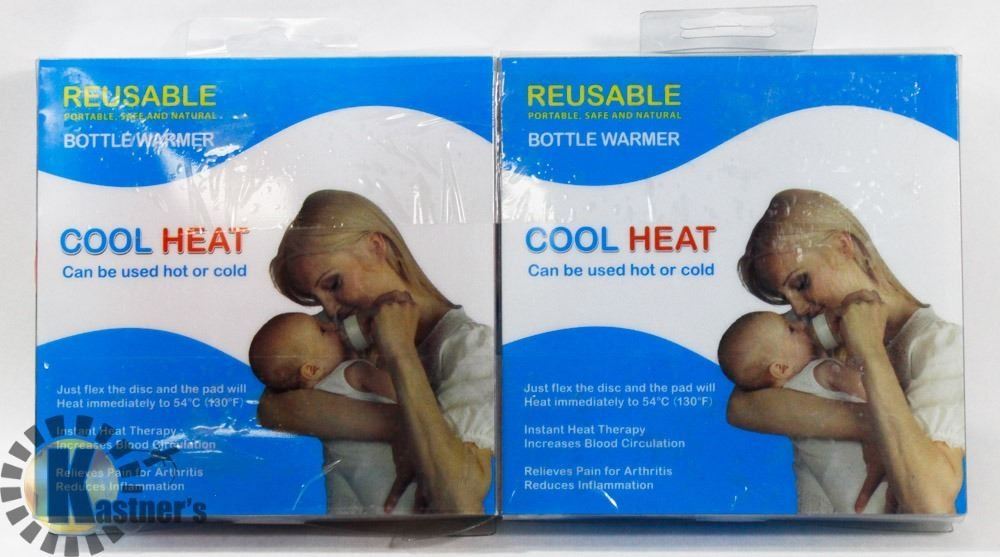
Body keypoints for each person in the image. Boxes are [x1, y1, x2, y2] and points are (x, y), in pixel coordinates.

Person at [257, 190, 495, 515]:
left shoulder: (469, 347)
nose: (330, 311)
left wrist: (400, 353)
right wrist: (402, 426)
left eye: (334, 284)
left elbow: (458, 502)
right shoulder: (338, 334)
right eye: (316, 300)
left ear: (376, 246)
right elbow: (273, 407)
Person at [728, 189, 964, 514]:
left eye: (801, 283)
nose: (798, 309)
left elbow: (930, 505)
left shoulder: (938, 345)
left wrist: (870, 351)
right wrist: (874, 427)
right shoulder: (808, 334)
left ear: (843, 246)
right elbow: (741, 406)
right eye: (785, 298)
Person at [718, 310, 887, 513]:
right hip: (874, 489)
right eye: (791, 330)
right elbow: (875, 391)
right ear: (780, 368)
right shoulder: (823, 371)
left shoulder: (780, 401)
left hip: (840, 501)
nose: (800, 325)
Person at [248, 312, 413, 514]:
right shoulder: (355, 372)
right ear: (311, 370)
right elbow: (406, 393)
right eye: (322, 331)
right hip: (392, 483)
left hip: (352, 489)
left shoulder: (311, 398)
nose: (332, 327)